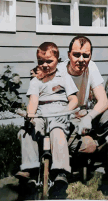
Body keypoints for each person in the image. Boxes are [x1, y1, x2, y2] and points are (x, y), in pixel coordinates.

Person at [16, 42, 78, 199]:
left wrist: (66, 111)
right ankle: (30, 170)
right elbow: (34, 101)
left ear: (57, 59)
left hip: (59, 111)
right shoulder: (36, 81)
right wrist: (31, 114)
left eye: (48, 61)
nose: (44, 65)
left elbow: (73, 100)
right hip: (42, 112)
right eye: (40, 62)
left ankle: (60, 173)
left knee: (57, 130)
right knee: (27, 130)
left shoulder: (64, 77)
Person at [57, 36, 108, 160]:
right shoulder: (59, 71)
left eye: (86, 55)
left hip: (83, 115)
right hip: (66, 118)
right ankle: (88, 147)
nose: (81, 60)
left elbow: (104, 101)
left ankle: (92, 144)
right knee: (81, 142)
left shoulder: (91, 67)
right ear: (69, 55)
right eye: (76, 55)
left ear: (91, 56)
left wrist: (89, 117)